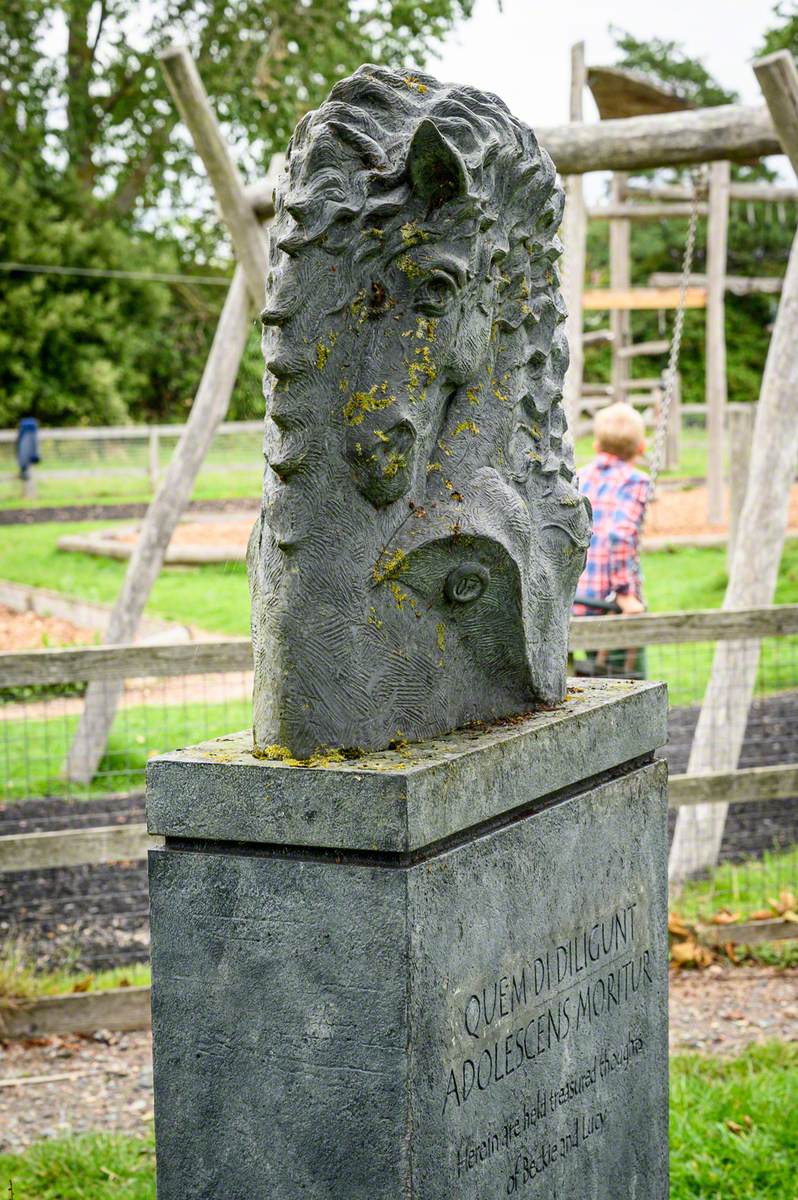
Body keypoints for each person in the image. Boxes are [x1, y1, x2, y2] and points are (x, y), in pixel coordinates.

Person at [572, 402, 649, 677]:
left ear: (596, 446)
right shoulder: (635, 482)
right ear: (642, 448)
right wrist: (625, 593)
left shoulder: (579, 476)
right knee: (629, 679)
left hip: (577, 598)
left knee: (589, 676)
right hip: (611, 605)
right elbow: (619, 534)